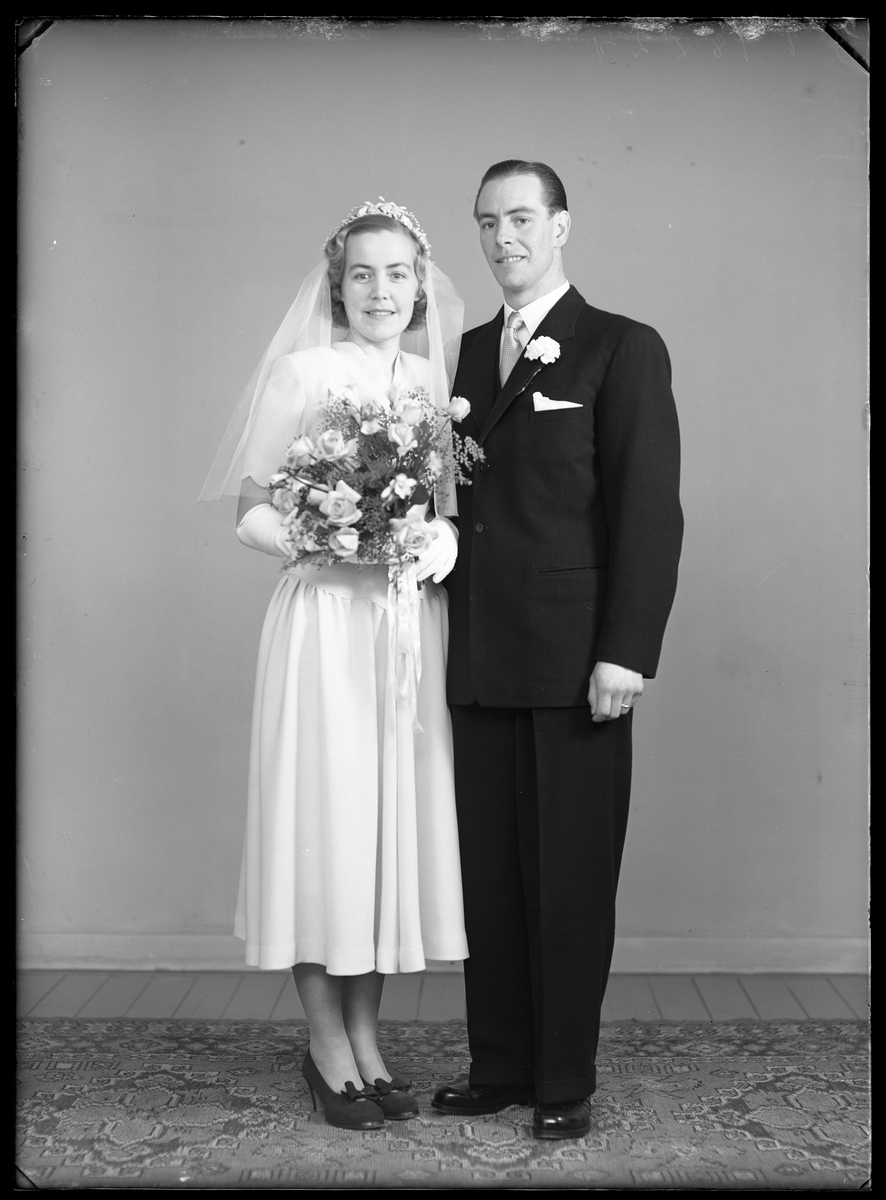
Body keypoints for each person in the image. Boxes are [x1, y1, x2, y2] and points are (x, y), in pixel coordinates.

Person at [200, 200, 468, 1131]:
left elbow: (448, 508)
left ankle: (366, 1040)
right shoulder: (303, 372)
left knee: (381, 833)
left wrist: (441, 543)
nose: (380, 291)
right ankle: (326, 1046)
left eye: (397, 273)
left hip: (402, 630)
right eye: (362, 274)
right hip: (323, 625)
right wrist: (318, 536)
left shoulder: (435, 382)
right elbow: (249, 505)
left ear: (420, 285)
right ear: (337, 284)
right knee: (325, 826)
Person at [433, 161, 683, 1140]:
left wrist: (626, 653)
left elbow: (648, 512)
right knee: (491, 880)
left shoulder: (620, 346)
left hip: (579, 664)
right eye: (486, 222)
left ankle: (564, 1079)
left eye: (521, 218)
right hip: (478, 655)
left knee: (569, 879)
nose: (503, 238)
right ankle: (498, 1065)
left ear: (561, 226)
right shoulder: (462, 355)